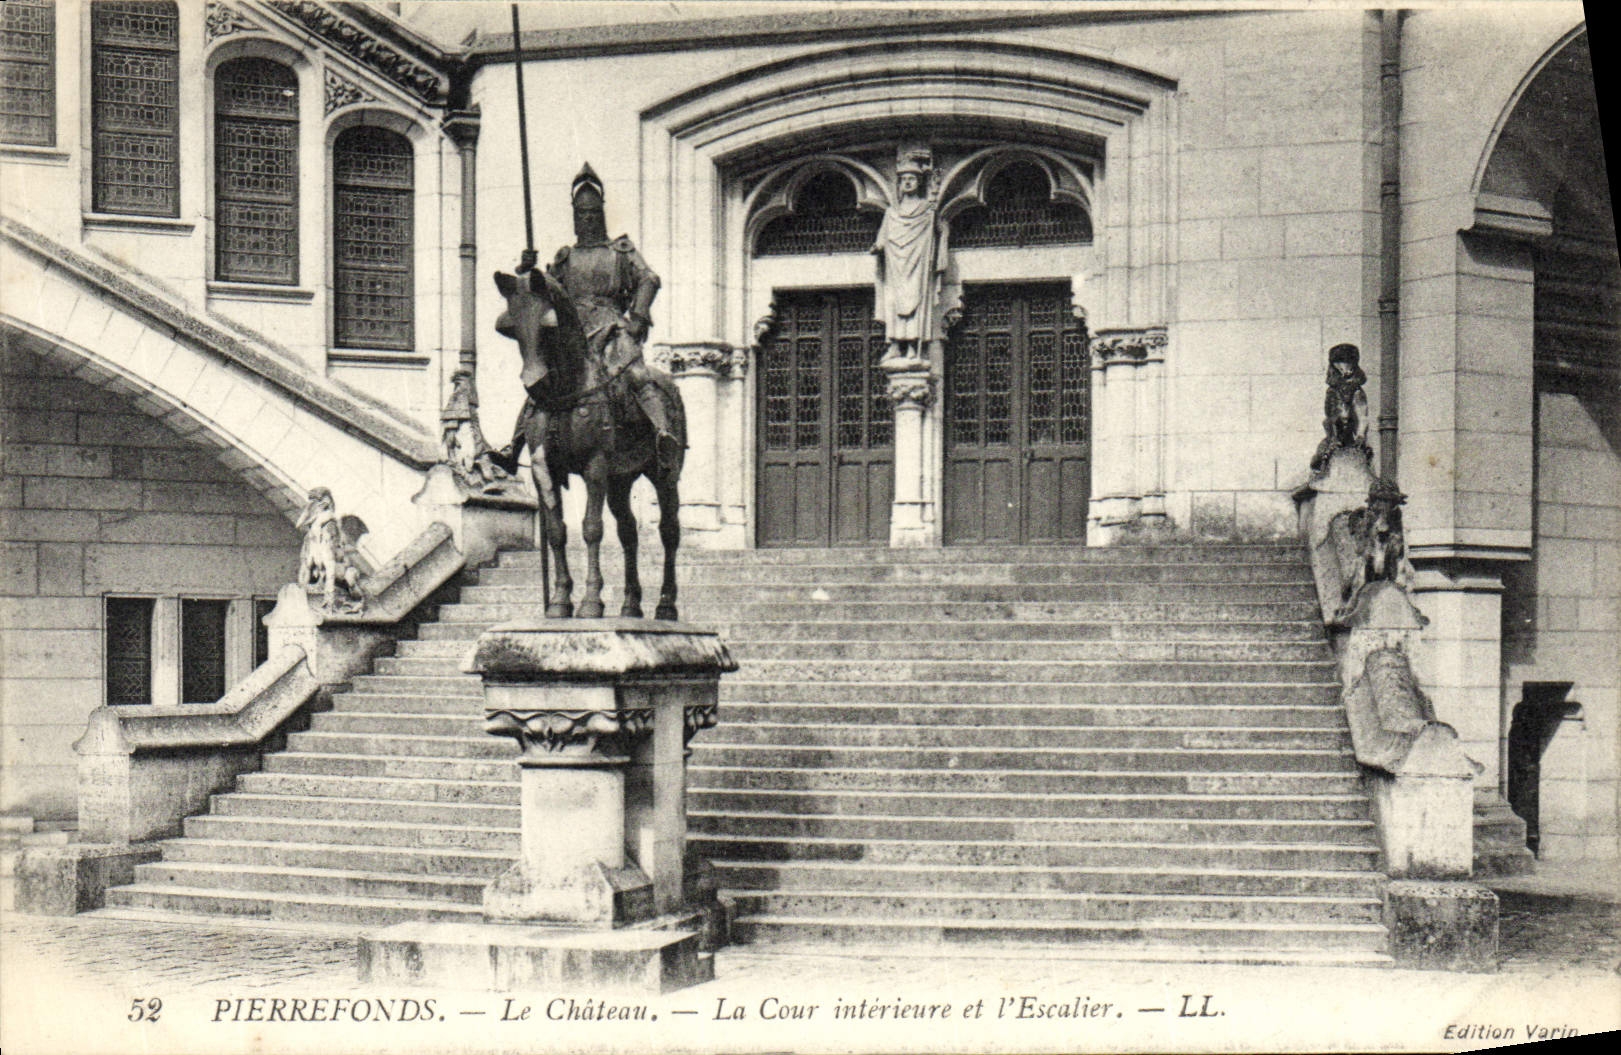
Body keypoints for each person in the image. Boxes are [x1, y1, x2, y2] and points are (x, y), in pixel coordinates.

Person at [490, 163, 678, 473]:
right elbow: (544, 290)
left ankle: (662, 432)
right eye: (581, 214)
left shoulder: (621, 251)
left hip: (611, 324)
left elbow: (649, 278)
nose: (587, 219)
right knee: (542, 381)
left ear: (602, 213)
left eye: (592, 213)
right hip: (572, 329)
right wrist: (526, 270)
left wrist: (639, 315)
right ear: (574, 216)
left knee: (637, 374)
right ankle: (516, 444)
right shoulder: (566, 257)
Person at [873, 144, 946, 364]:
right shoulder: (891, 213)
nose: (907, 182)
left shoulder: (926, 210)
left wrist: (941, 231)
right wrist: (878, 247)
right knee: (894, 301)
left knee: (916, 301)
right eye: (904, 179)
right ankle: (895, 345)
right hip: (896, 263)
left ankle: (915, 346)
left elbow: (940, 231)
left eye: (912, 179)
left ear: (919, 182)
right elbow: (883, 237)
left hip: (917, 263)